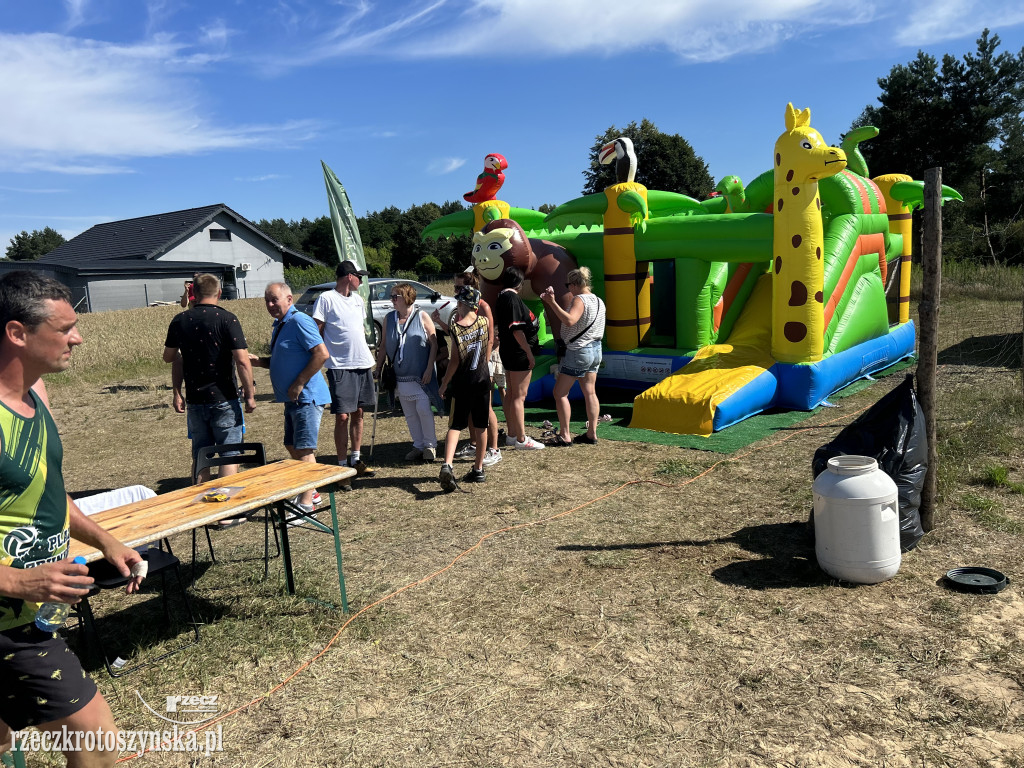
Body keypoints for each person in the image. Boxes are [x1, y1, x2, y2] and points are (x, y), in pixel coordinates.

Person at [0, 271, 144, 768]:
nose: (78, 338)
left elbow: (47, 493)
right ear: (18, 333)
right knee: (96, 735)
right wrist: (18, 581)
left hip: (36, 615)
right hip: (8, 619)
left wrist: (105, 540)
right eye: (65, 329)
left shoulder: (36, 396)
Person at [163, 273, 256, 483]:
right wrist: (249, 394)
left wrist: (177, 392)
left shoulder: (179, 320)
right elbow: (242, 361)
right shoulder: (227, 319)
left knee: (200, 454)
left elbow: (170, 357)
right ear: (219, 293)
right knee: (229, 453)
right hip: (225, 398)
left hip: (195, 400)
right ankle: (227, 511)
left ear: (193, 293)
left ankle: (201, 504)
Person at [249, 283, 330, 509]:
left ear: (289, 299)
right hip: (292, 398)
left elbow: (321, 354)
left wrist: (299, 383)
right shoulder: (281, 325)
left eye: (274, 300)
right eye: (267, 300)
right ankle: (311, 491)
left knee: (304, 449)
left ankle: (306, 505)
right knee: (292, 445)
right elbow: (283, 359)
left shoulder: (300, 321)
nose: (270, 305)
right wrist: (259, 362)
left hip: (306, 397)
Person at [311, 261, 377, 479]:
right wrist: (317, 359)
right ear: (349, 276)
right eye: (360, 276)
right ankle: (341, 466)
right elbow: (317, 331)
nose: (361, 280)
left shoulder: (358, 300)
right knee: (342, 416)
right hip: (339, 366)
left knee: (359, 413)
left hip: (362, 363)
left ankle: (355, 459)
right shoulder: (326, 299)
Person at [434, 269, 502, 466]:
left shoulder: (483, 309)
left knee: (485, 411)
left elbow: (489, 340)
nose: (455, 291)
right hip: (470, 368)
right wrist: (439, 322)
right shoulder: (465, 313)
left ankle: (494, 448)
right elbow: (460, 339)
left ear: (469, 288)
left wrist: (486, 363)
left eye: (458, 287)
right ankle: (474, 445)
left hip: (481, 365)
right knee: (474, 414)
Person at [540, 266, 607, 445]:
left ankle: (565, 434)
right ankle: (592, 433)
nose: (567, 288)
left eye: (568, 285)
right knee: (590, 392)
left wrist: (552, 302)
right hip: (595, 349)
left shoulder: (579, 299)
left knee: (560, 393)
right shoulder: (599, 301)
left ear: (575, 284)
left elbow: (570, 320)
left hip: (579, 350)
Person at [374, 283, 439, 462]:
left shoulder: (422, 316)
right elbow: (384, 345)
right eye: (392, 297)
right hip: (400, 376)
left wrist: (428, 368)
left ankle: (430, 446)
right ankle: (418, 445)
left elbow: (434, 344)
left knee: (424, 409)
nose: (392, 300)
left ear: (407, 298)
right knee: (409, 413)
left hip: (420, 375)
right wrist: (378, 368)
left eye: (396, 297)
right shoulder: (389, 318)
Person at [437, 286, 492, 490]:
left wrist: (444, 383)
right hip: (482, 379)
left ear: (462, 304)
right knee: (481, 425)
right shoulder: (484, 322)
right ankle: (478, 469)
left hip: (463, 381)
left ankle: (447, 464)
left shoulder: (456, 328)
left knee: (456, 425)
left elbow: (454, 361)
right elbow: (487, 345)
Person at [494, 266, 544, 451]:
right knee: (519, 396)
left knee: (512, 393)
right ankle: (521, 439)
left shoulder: (502, 297)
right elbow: (517, 330)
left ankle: (512, 434)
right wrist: (529, 352)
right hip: (517, 352)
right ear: (519, 283)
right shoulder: (512, 298)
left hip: (509, 350)